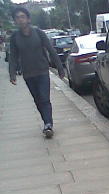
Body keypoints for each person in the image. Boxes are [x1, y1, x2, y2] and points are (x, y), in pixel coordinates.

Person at [8, 7, 65, 138]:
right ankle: (47, 122)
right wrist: (12, 74)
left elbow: (51, 50)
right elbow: (13, 57)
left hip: (42, 71)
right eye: (17, 17)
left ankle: (48, 124)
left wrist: (60, 68)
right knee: (38, 100)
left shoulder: (38, 33)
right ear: (15, 21)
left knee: (44, 98)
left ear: (28, 18)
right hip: (28, 74)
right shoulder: (15, 37)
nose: (20, 19)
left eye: (22, 16)